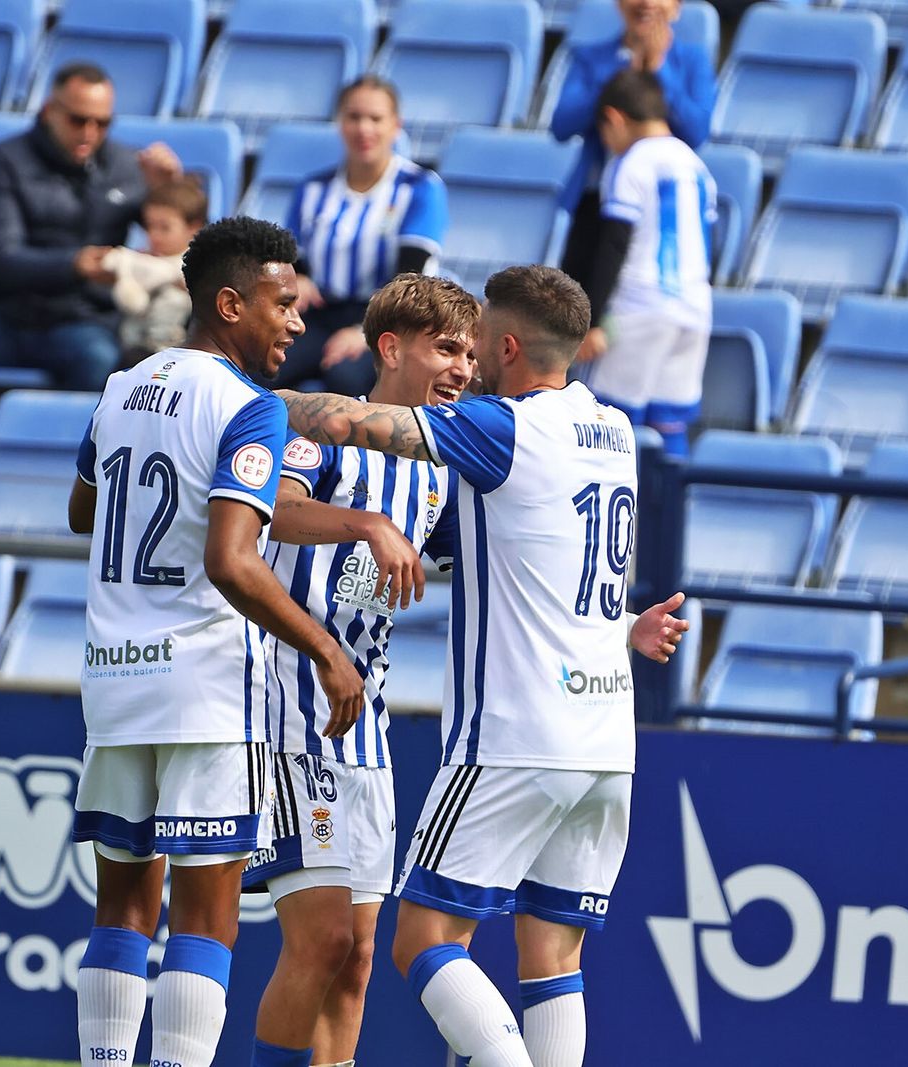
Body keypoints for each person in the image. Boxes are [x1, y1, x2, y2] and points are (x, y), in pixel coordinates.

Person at [278, 265, 689, 1067]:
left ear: (507, 345)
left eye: (477, 348)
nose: (469, 369)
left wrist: (247, 395)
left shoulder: (503, 427)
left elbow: (350, 424)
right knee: (554, 958)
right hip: (607, 739)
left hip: (515, 736)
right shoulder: (616, 434)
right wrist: (622, 630)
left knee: (423, 938)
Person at [64, 217, 365, 1067]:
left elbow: (86, 511)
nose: (298, 321)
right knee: (204, 910)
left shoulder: (122, 386)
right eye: (282, 303)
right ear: (229, 304)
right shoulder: (249, 408)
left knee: (122, 903)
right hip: (202, 683)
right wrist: (324, 649)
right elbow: (232, 562)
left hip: (116, 679)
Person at [243, 274, 480, 1067]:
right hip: (288, 706)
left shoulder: (441, 468)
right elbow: (272, 507)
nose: (465, 368)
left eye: (474, 353)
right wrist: (368, 523)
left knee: (358, 958)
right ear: (390, 347)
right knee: (322, 938)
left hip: (364, 727)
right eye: (448, 348)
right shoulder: (327, 429)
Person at [0, 62, 183, 392]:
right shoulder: (2, 162)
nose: (89, 132)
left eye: (102, 123)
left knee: (102, 357)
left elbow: (177, 244)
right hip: (0, 315)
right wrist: (75, 265)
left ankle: (80, 444)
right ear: (49, 110)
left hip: (79, 323)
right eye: (78, 120)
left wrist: (168, 192)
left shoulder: (128, 167)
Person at [277, 74, 449, 397]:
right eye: (354, 117)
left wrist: (364, 331)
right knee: (262, 366)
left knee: (345, 379)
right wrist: (298, 277)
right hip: (320, 314)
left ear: (396, 125)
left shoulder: (419, 188)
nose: (364, 129)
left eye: (375, 118)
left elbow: (409, 278)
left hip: (389, 319)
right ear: (340, 122)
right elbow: (293, 256)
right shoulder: (313, 188)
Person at [577, 69, 716, 459]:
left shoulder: (632, 162)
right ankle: (667, 519)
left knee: (606, 424)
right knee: (670, 427)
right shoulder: (696, 166)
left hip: (639, 309)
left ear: (615, 118)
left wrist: (594, 319)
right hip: (694, 309)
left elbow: (615, 244)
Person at [550, 0, 715, 289]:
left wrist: (658, 70)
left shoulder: (691, 60)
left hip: (661, 202)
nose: (647, 3)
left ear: (676, 7)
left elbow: (696, 130)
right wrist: (623, 74)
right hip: (597, 204)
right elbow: (562, 124)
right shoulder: (592, 57)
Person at [105, 176, 209, 365]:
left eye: (165, 228)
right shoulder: (142, 260)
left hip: (179, 357)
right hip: (133, 349)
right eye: (149, 227)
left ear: (194, 227)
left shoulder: (203, 266)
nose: (154, 235)